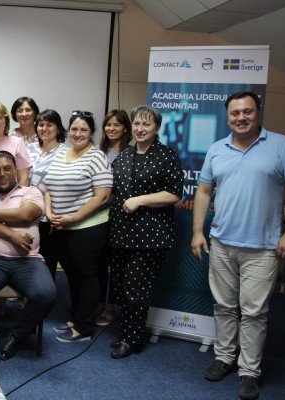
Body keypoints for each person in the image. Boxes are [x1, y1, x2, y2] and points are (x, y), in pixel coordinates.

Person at [191, 91, 285, 400]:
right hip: (222, 242)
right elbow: (203, 191)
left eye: (247, 111)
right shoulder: (217, 149)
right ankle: (224, 357)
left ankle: (249, 370)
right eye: (235, 113)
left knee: (253, 312)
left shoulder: (281, 146)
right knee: (224, 306)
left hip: (263, 248)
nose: (241, 117)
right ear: (227, 117)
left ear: (258, 112)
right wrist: (197, 231)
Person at [0, 151, 56, 360]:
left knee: (46, 293)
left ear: (15, 170)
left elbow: (26, 215)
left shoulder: (30, 192)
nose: (2, 174)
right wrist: (13, 236)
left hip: (27, 260)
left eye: (7, 168)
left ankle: (17, 336)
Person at [108, 105, 183, 359]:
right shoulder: (125, 155)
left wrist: (139, 200)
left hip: (149, 235)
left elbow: (173, 194)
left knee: (135, 288)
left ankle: (132, 339)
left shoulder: (166, 156)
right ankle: (126, 332)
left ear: (157, 128)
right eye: (137, 124)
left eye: (146, 124)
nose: (140, 129)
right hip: (120, 233)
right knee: (121, 287)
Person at [44, 111, 113, 343]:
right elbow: (48, 188)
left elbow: (102, 196)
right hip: (60, 227)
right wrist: (49, 213)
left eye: (84, 129)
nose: (78, 133)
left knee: (86, 278)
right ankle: (76, 318)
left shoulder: (97, 156)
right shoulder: (62, 153)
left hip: (87, 228)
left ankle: (84, 328)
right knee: (72, 276)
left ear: (91, 132)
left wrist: (73, 218)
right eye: (74, 129)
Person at [95, 109, 132, 326]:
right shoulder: (98, 151)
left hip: (119, 216)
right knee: (98, 263)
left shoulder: (130, 153)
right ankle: (99, 302)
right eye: (108, 124)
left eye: (117, 125)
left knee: (115, 264)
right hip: (97, 215)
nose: (111, 129)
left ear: (125, 128)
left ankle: (110, 305)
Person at [27, 109, 67, 279]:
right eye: (41, 125)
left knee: (47, 258)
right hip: (28, 211)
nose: (44, 128)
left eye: (49, 125)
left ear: (58, 128)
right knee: (28, 257)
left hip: (49, 215)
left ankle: (46, 291)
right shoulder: (29, 148)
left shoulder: (65, 152)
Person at [0, 101, 31, 186]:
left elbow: (23, 178)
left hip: (12, 193)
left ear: (6, 122)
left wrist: (17, 195)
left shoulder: (17, 143)